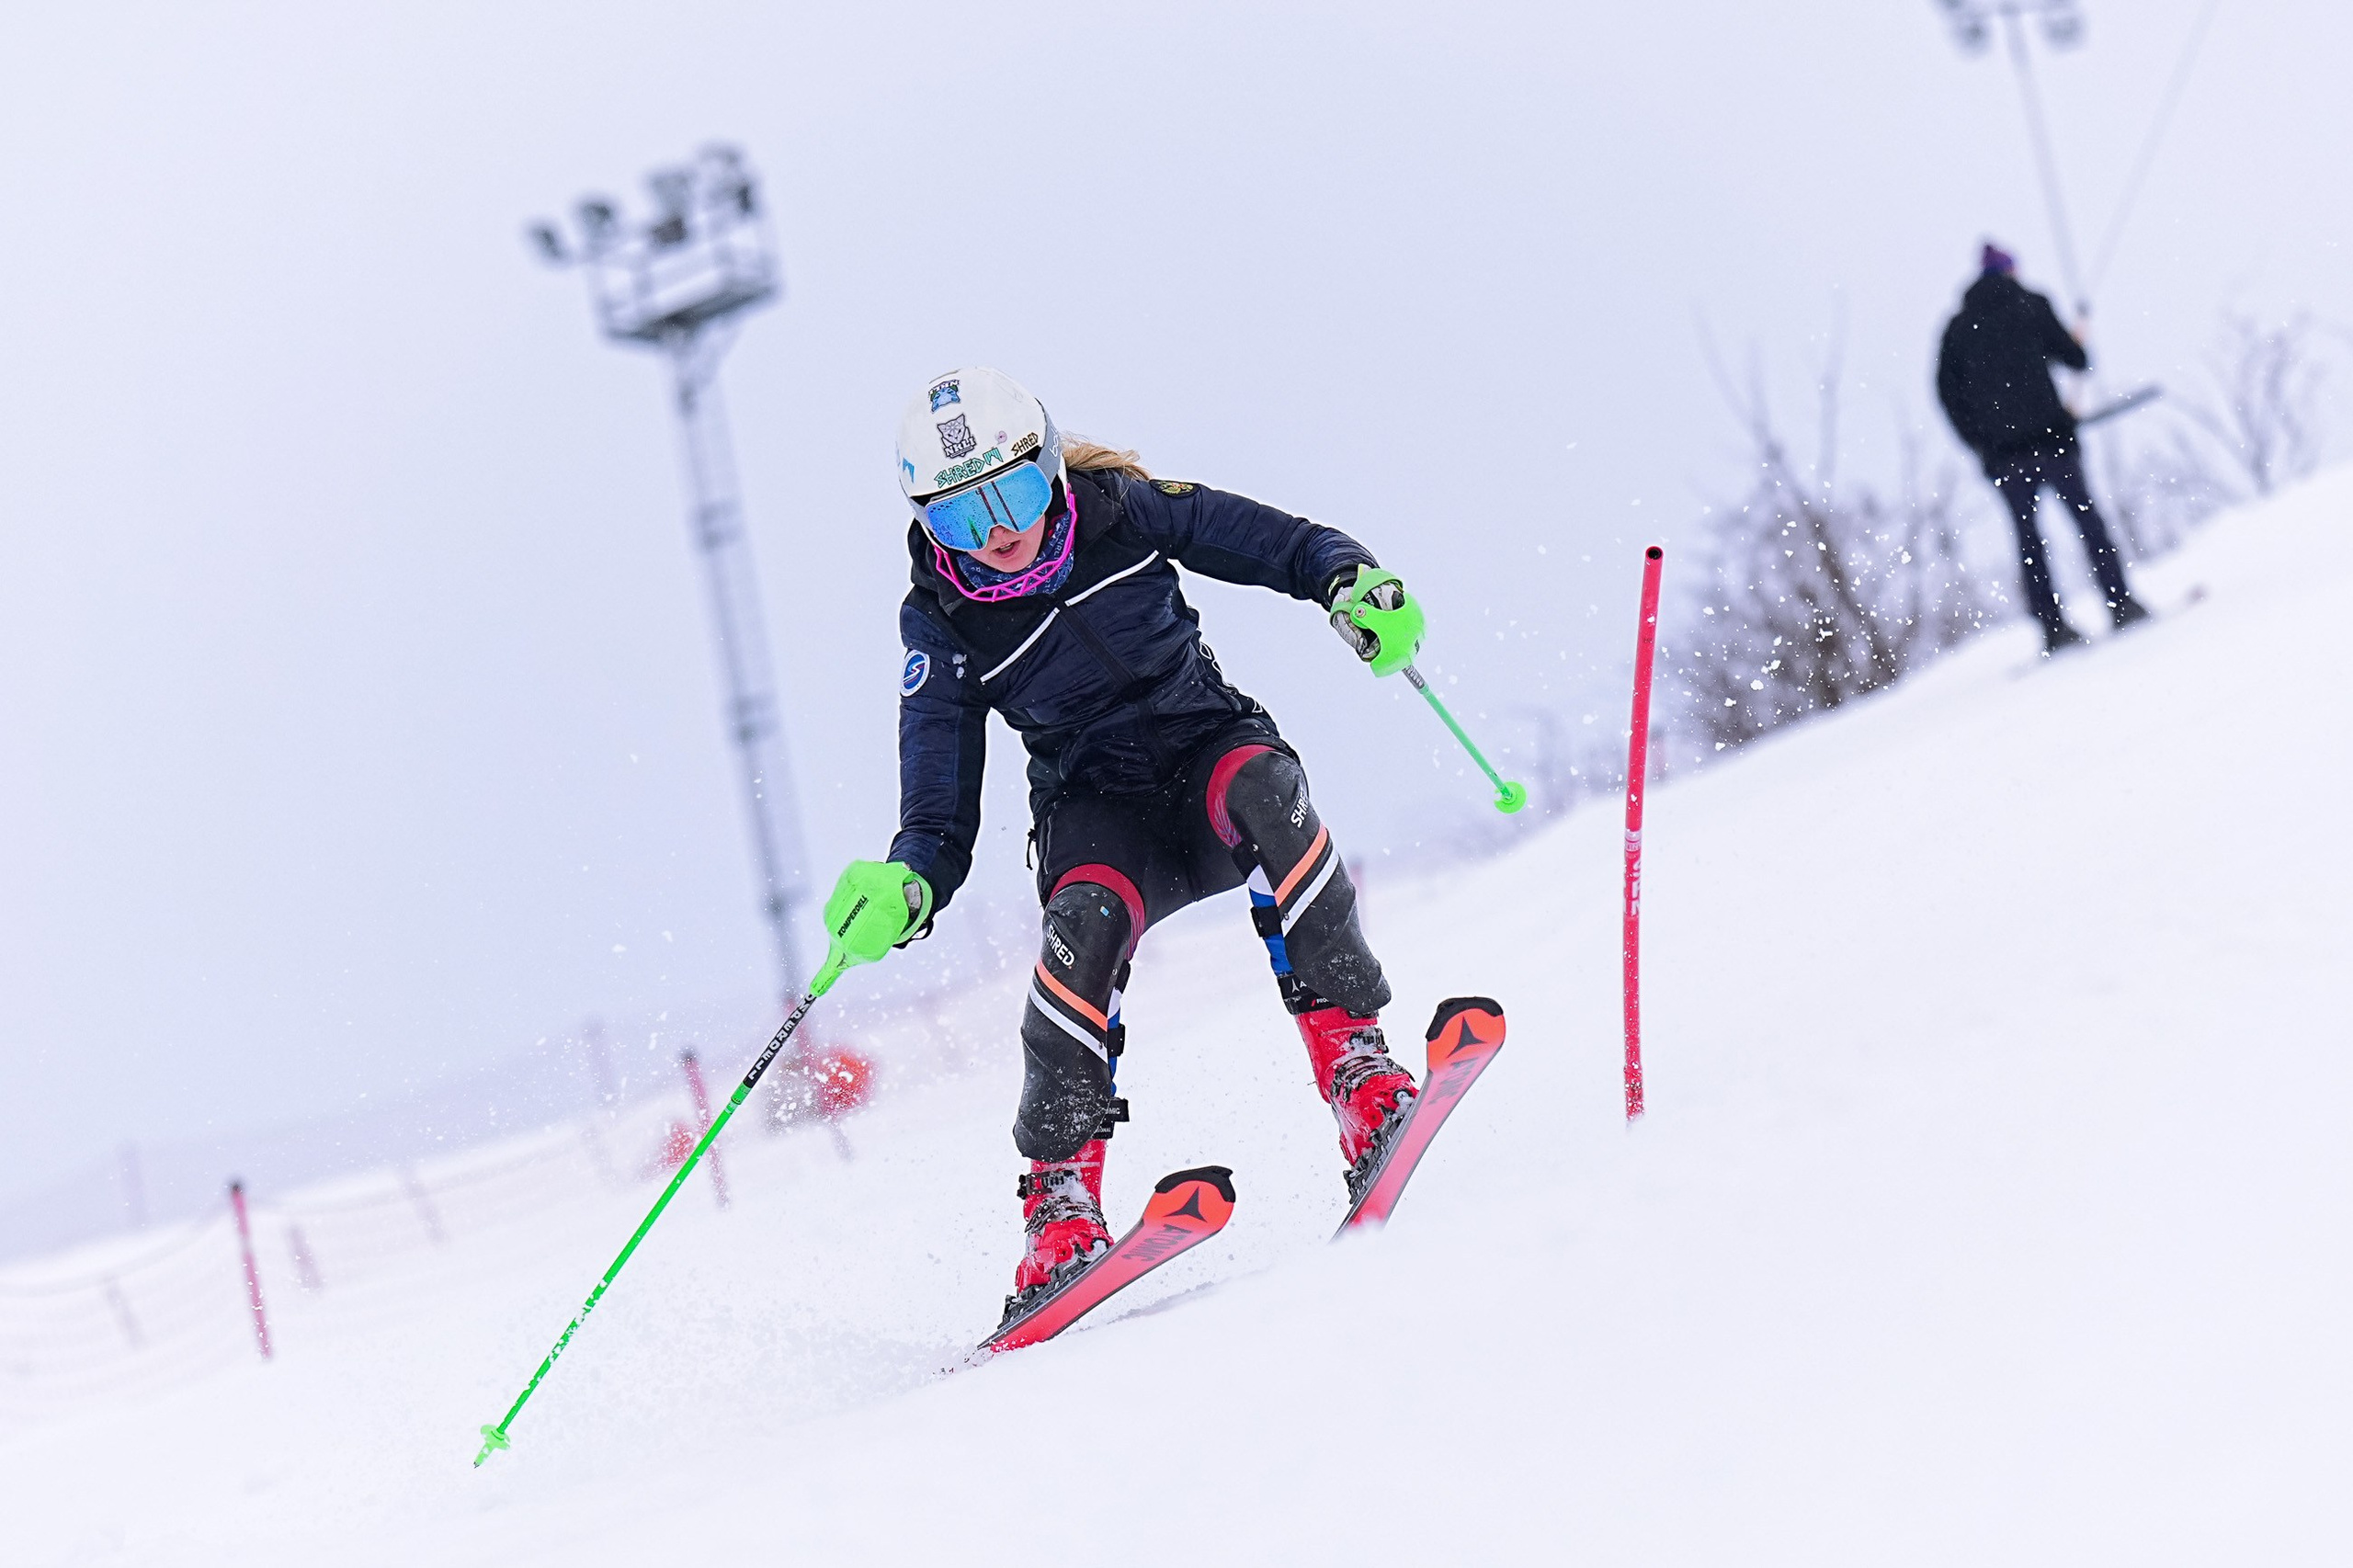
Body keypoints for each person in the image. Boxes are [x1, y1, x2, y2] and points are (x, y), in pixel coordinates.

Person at [817, 368, 1429, 1327]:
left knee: (1270, 792)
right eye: (960, 520)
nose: (998, 534)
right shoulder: (940, 622)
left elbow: (1297, 548)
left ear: (1051, 468)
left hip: (1208, 756)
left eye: (1012, 496)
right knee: (1082, 921)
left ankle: (1358, 1070)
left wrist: (1357, 584)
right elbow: (937, 826)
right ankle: (1058, 1208)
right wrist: (903, 886)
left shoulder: (1126, 513)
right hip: (1096, 811)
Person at [1936, 243, 2149, 653]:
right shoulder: (2029, 305)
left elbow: (1948, 395)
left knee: (2030, 539)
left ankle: (2053, 628)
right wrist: (2076, 337)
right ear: (2010, 271)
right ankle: (2120, 602)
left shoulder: (1958, 330)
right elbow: (2075, 358)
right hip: (2052, 440)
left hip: (2003, 456)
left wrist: (1980, 442)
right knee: (2088, 522)